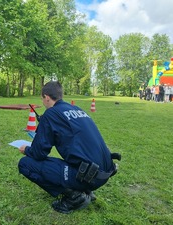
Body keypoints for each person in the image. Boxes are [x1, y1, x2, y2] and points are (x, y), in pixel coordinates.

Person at [18, 81, 119, 214]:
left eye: (42, 99)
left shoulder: (51, 114)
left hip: (89, 176)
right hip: (104, 172)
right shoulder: (77, 109)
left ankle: (75, 197)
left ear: (46, 97)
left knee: (25, 164)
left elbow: (39, 153)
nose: (43, 102)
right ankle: (85, 189)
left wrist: (26, 149)